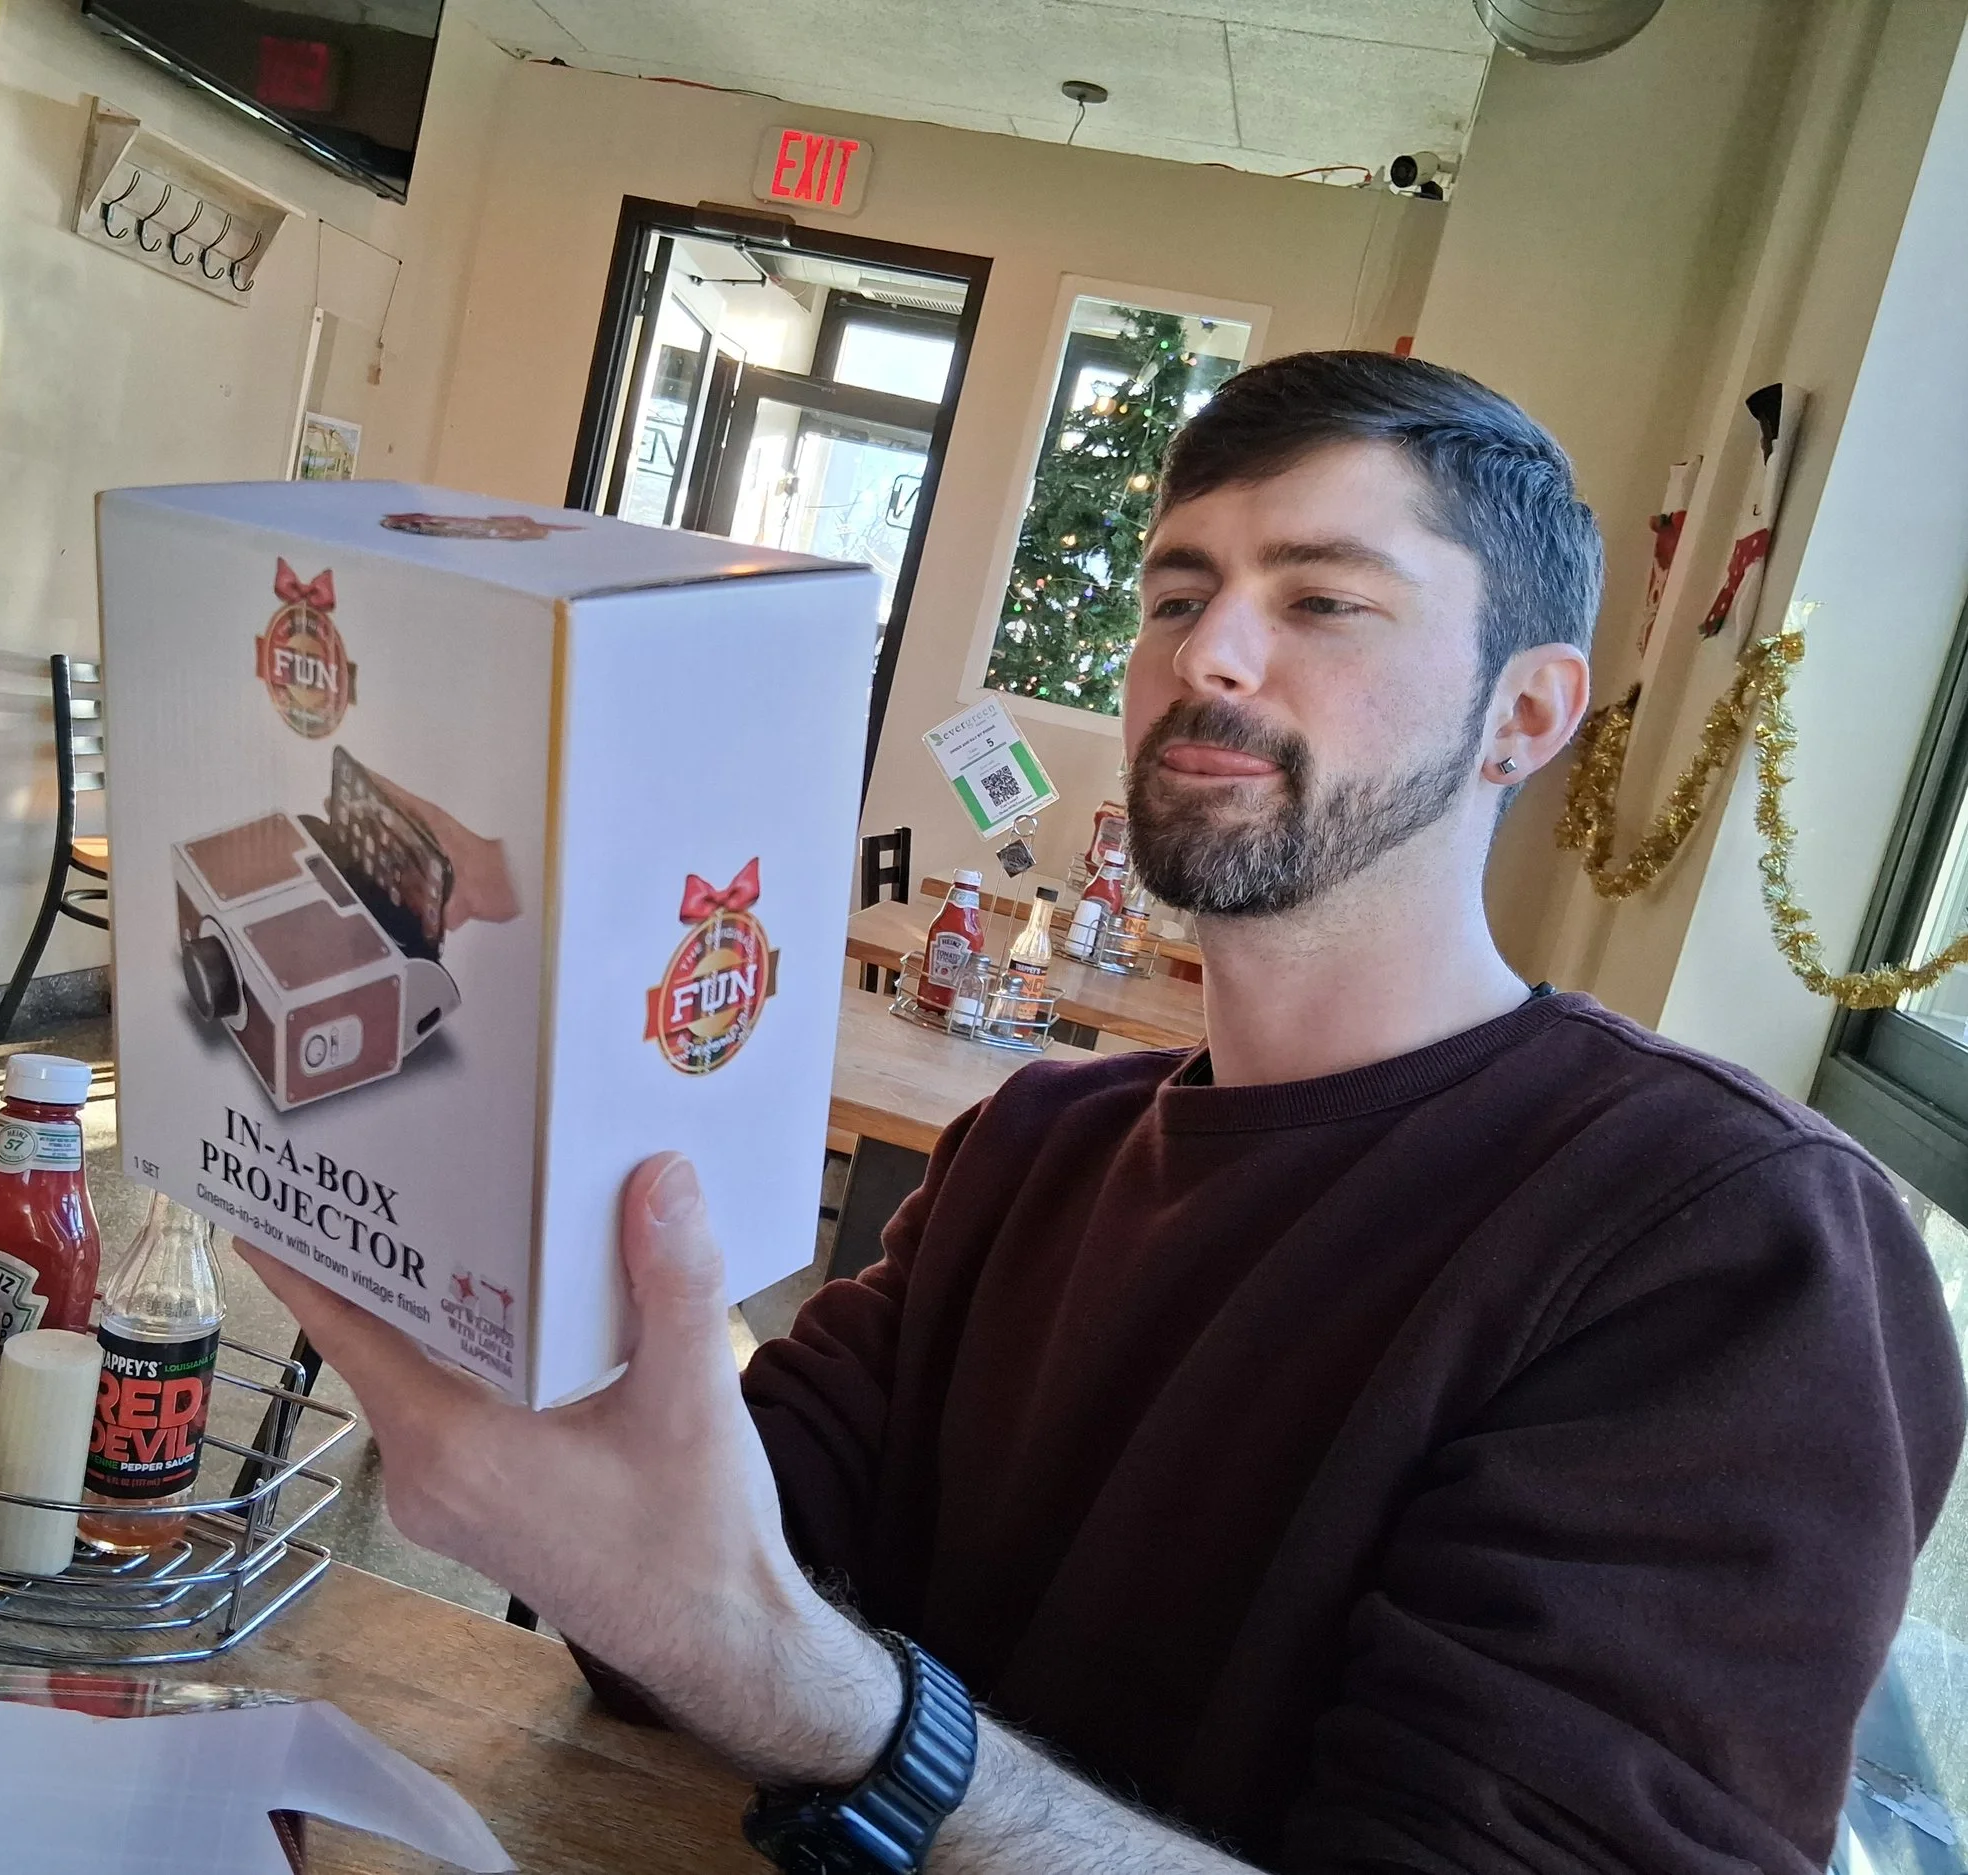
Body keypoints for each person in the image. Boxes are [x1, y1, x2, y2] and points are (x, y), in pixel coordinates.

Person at [238, 351, 1966, 1872]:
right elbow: (689, 1597)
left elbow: (744, 1633)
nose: (1206, 652)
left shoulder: (1727, 1244)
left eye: (1322, 600)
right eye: (1173, 590)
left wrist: (800, 1679)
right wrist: (522, 1322)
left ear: (1523, 713)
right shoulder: (1035, 1145)